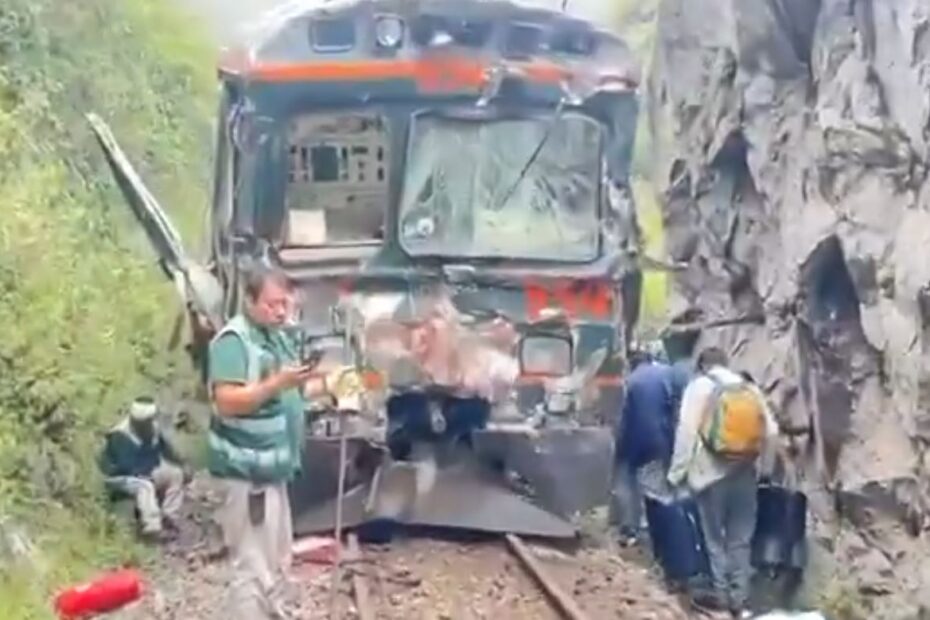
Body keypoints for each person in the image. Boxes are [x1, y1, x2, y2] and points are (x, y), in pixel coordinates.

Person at [208, 265, 318, 620]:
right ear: (249, 301)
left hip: (272, 469)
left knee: (276, 556)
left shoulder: (276, 337)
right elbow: (227, 401)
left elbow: (294, 391)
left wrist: (336, 386)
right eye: (272, 304)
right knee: (252, 565)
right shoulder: (234, 341)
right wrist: (275, 384)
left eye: (285, 303)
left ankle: (273, 612)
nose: (281, 311)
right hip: (247, 472)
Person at [668, 347, 780, 618]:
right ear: (726, 363)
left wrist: (676, 474)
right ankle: (740, 600)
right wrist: (765, 471)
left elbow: (686, 433)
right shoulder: (748, 388)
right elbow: (772, 432)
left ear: (702, 366)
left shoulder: (699, 387)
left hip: (710, 476)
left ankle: (720, 597)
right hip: (745, 473)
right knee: (740, 538)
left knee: (714, 538)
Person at [613, 347, 682, 547]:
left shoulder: (633, 381)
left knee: (649, 493)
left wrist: (622, 452)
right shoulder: (665, 374)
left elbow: (628, 421)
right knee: (662, 487)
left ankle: (650, 537)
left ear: (630, 364)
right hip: (666, 441)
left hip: (645, 444)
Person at [99, 397, 187, 542]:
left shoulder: (154, 429)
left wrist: (182, 464)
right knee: (145, 486)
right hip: (120, 477)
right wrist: (144, 473)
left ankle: (169, 517)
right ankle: (152, 527)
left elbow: (167, 450)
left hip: (146, 471)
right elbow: (123, 466)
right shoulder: (120, 435)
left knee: (175, 474)